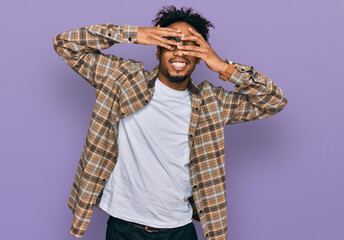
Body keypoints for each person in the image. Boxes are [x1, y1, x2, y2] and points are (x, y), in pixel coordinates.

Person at [53, 5, 287, 240]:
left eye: (189, 46)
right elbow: (65, 44)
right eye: (171, 43)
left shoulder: (212, 102)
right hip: (124, 227)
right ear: (157, 51)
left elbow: (273, 101)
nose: (179, 53)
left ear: (198, 58)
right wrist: (134, 34)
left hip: (179, 229)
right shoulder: (123, 80)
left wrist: (223, 67)